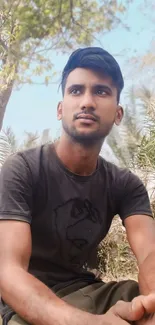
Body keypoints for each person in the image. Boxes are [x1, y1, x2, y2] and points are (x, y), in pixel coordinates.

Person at [0, 47, 155, 325]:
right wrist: (88, 324)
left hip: (89, 291)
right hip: (28, 305)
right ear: (61, 109)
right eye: (75, 91)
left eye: (101, 91)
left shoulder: (125, 185)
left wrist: (151, 301)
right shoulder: (21, 169)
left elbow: (149, 253)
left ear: (118, 114)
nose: (87, 102)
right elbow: (8, 272)